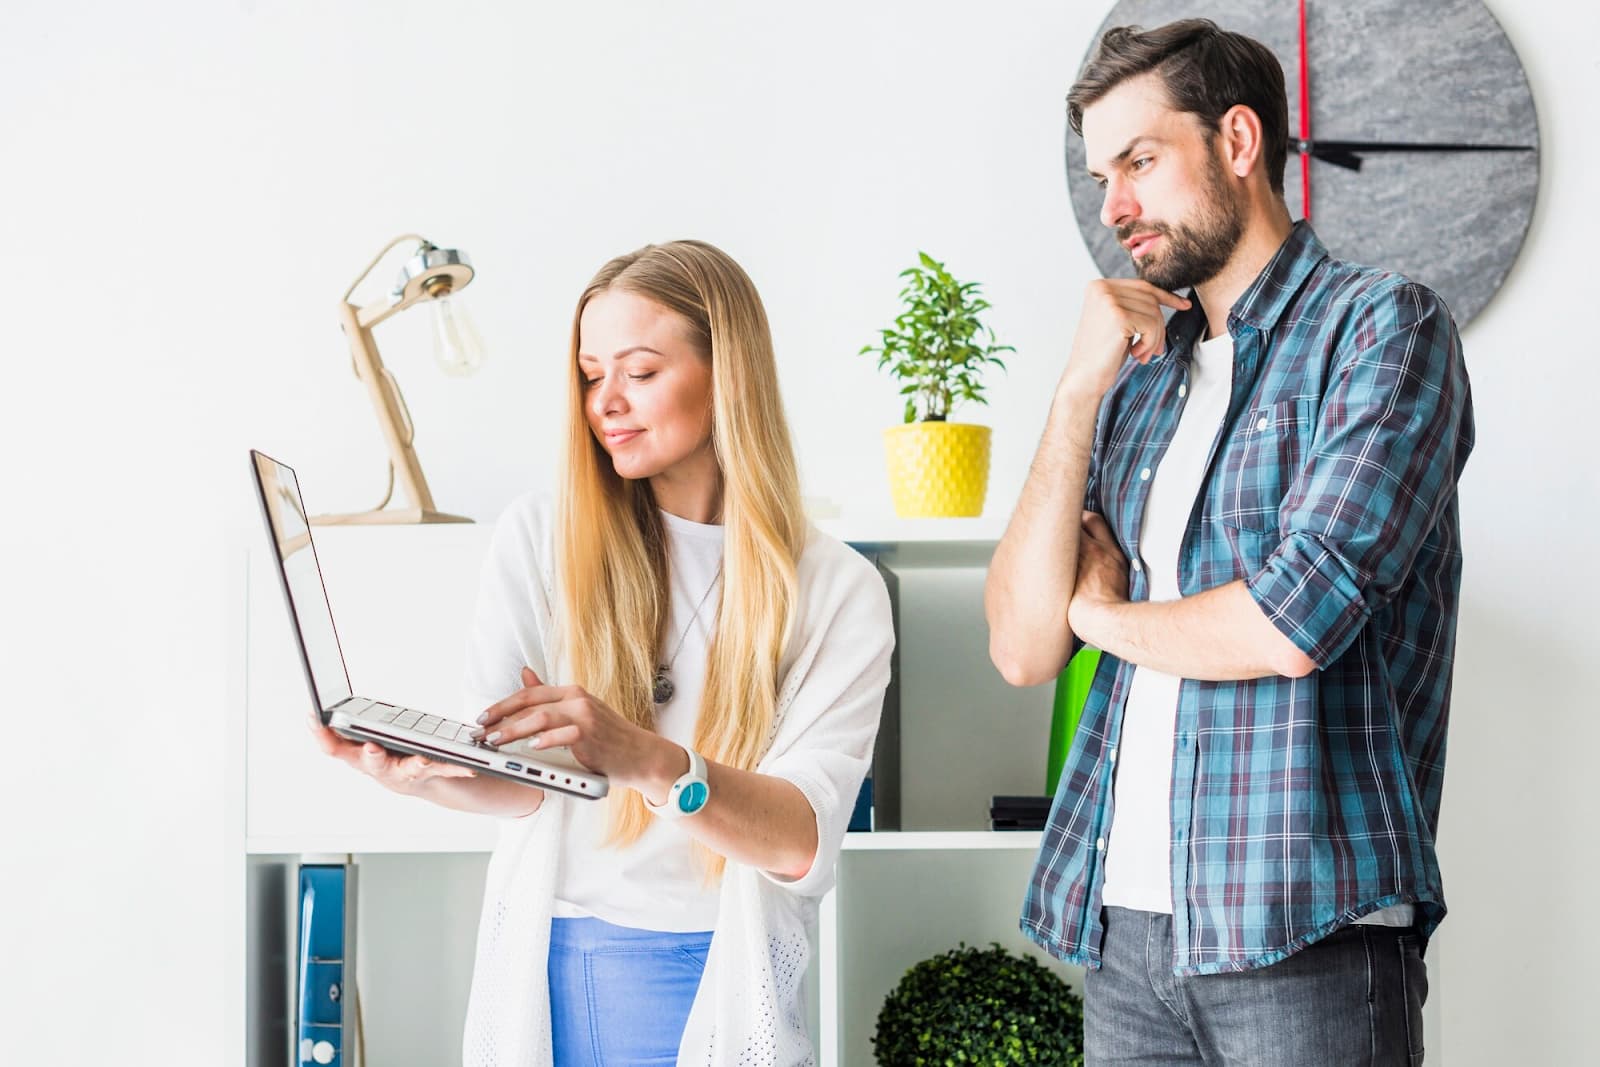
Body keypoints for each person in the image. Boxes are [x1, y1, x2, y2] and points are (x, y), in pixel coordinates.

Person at [985, 19, 1472, 1065]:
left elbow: (1293, 620)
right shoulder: (1138, 382)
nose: (1114, 205)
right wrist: (1077, 390)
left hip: (1306, 930)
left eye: (1140, 161)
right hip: (1124, 932)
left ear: (1237, 141)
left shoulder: (1383, 331)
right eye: (1101, 174)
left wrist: (1098, 615)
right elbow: (1024, 648)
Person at [313, 239, 894, 1065]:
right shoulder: (541, 539)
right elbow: (519, 786)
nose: (607, 402)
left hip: (720, 977)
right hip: (553, 970)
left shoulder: (838, 589)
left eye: (641, 372)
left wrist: (647, 758)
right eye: (592, 375)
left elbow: (799, 838)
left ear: (726, 372)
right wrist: (427, 772)